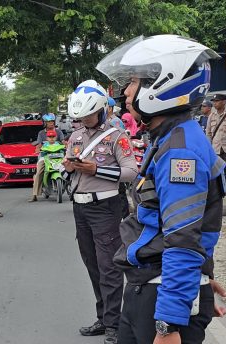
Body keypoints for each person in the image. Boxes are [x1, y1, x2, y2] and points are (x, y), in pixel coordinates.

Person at [97, 34, 226, 343]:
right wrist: (201, 276)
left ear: (164, 85)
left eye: (133, 82)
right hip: (151, 286)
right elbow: (191, 223)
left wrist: (168, 323)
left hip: (159, 296)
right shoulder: (171, 138)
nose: (126, 92)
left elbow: (182, 239)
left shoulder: (179, 151)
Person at [63, 80, 138, 344]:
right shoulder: (76, 136)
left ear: (102, 111)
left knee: (109, 267)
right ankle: (103, 317)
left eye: (88, 115)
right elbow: (66, 172)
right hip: (80, 207)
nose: (84, 120)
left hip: (106, 207)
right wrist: (69, 168)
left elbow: (131, 171)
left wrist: (96, 169)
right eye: (80, 117)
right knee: (92, 264)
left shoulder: (117, 136)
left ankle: (115, 325)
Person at [28, 113, 65, 202]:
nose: (51, 123)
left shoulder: (58, 132)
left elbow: (63, 141)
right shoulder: (41, 133)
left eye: (52, 121)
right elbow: (39, 144)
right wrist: (38, 149)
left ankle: (72, 188)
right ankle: (34, 194)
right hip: (45, 156)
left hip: (58, 155)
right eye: (49, 122)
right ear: (45, 123)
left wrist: (67, 145)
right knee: (39, 171)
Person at [206, 93, 226, 191]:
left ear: (224, 102)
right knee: (218, 173)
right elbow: (208, 133)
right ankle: (223, 190)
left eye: (217, 101)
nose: (215, 104)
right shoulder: (211, 116)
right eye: (214, 102)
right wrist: (209, 148)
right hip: (216, 150)